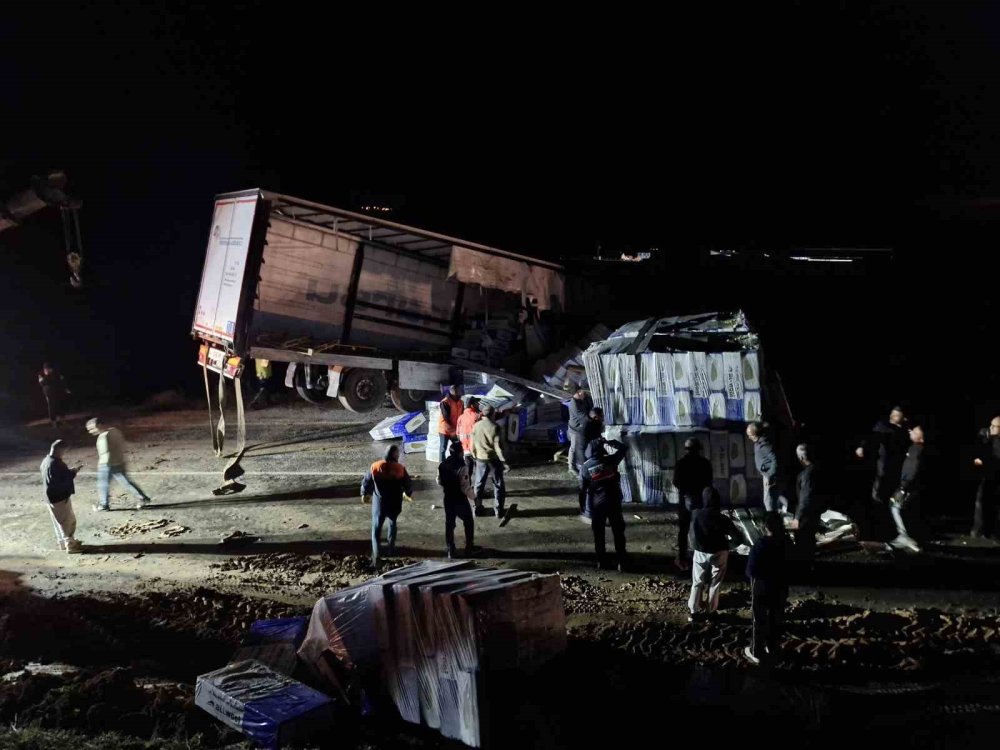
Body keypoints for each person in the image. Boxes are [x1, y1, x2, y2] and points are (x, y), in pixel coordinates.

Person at [688, 487, 743, 622]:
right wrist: (727, 547)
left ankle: (694, 612)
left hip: (700, 551)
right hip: (719, 552)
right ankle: (711, 612)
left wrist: (695, 547)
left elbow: (691, 534)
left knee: (697, 581)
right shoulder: (722, 518)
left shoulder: (696, 514)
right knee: (715, 582)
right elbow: (738, 538)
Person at [579, 436, 630, 571]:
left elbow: (582, 490)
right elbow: (624, 448)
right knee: (618, 533)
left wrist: (582, 507)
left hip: (597, 506)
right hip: (614, 503)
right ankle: (622, 562)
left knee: (599, 535)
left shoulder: (585, 468)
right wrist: (610, 442)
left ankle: (602, 562)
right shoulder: (611, 460)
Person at [744, 512, 788, 665]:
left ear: (764, 527)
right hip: (780, 586)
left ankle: (756, 651)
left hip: (761, 586)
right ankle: (773, 647)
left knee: (759, 619)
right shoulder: (785, 543)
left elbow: (751, 570)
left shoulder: (760, 544)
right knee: (776, 618)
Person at [361, 444, 414, 568]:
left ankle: (377, 555)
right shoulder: (400, 468)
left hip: (379, 503)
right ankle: (391, 549)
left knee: (376, 528)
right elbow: (408, 483)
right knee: (392, 523)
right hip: (394, 503)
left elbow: (366, 480)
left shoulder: (376, 466)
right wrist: (408, 493)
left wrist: (364, 493)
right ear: (395, 455)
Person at [86, 418, 151, 511]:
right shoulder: (115, 431)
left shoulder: (103, 437)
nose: (90, 431)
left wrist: (102, 465)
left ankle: (104, 505)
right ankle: (143, 498)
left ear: (99, 425)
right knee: (126, 482)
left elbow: (105, 453)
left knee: (103, 484)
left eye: (92, 428)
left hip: (107, 464)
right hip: (119, 462)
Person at [672, 437, 713, 572]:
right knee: (701, 528)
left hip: (685, 499)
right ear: (699, 449)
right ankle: (702, 558)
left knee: (683, 530)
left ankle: (682, 558)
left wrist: (686, 489)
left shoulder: (681, 463)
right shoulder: (705, 463)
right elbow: (709, 482)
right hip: (701, 500)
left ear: (686, 449)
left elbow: (676, 482)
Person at [856, 406, 909, 505]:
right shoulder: (883, 425)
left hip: (898, 461)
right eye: (892, 414)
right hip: (883, 459)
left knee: (893, 479)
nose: (892, 417)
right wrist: (861, 447)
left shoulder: (905, 429)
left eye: (896, 415)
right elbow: (870, 436)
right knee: (880, 476)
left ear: (902, 418)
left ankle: (888, 499)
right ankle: (875, 498)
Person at [39, 439, 83, 553]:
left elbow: (56, 477)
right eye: (64, 451)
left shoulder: (46, 461)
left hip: (50, 497)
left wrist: (70, 471)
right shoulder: (56, 464)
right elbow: (63, 480)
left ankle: (62, 544)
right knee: (66, 521)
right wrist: (73, 472)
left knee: (58, 522)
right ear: (60, 450)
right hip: (59, 497)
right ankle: (71, 545)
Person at [888, 424, 927, 553]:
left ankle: (905, 538)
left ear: (921, 437)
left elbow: (913, 468)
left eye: (914, 431)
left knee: (895, 507)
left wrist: (904, 487)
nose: (910, 431)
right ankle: (906, 537)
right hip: (910, 485)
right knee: (898, 508)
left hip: (908, 486)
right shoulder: (915, 448)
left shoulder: (916, 449)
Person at [437, 441, 478, 559]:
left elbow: (439, 480)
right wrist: (474, 497)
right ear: (460, 453)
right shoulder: (462, 467)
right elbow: (465, 487)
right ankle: (469, 548)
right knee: (468, 521)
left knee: (449, 524)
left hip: (448, 498)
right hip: (459, 499)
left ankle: (450, 550)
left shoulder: (443, 464)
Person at [471, 404, 510, 520]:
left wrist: (474, 454)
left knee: (478, 484)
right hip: (493, 460)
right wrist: (504, 461)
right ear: (493, 414)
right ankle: (498, 510)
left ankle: (477, 509)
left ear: (483, 413)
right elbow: (498, 447)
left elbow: (472, 443)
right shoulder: (495, 427)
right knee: (498, 484)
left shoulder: (476, 426)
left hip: (480, 459)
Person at [793, 443, 827, 560]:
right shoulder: (818, 470)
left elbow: (805, 498)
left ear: (801, 457)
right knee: (810, 541)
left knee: (803, 542)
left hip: (806, 514)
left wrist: (798, 517)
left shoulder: (807, 475)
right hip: (815, 511)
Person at [747, 421, 789, 514]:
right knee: (777, 495)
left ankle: (772, 520)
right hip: (768, 474)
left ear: (755, 434)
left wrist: (770, 475)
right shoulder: (759, 441)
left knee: (768, 500)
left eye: (749, 434)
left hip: (770, 476)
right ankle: (787, 510)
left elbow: (775, 460)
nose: (748, 437)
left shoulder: (765, 445)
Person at [971, 416, 1000, 540]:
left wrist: (984, 462)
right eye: (991, 425)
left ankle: (990, 532)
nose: (990, 428)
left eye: (994, 426)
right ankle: (980, 531)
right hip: (987, 477)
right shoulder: (988, 438)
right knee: (982, 502)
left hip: (995, 477)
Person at [567, 389, 594, 475]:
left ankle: (582, 464)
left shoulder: (584, 399)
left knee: (584, 446)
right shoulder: (573, 403)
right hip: (575, 429)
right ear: (578, 393)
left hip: (583, 428)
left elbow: (590, 406)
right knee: (573, 448)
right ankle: (571, 467)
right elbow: (582, 416)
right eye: (583, 393)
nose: (585, 395)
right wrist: (594, 416)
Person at [38, 362, 70, 428]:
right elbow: (42, 383)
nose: (46, 370)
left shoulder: (53, 374)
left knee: (57, 406)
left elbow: (60, 381)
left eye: (47, 369)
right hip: (50, 393)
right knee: (54, 407)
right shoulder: (44, 375)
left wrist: (65, 389)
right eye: (45, 369)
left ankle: (60, 421)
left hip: (55, 393)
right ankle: (56, 422)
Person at [456, 397, 481, 478]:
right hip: (476, 449)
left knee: (468, 472)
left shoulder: (460, 417)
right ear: (472, 405)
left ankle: (467, 489)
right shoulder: (477, 416)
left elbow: (458, 434)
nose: (479, 404)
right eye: (477, 403)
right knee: (479, 472)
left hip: (465, 449)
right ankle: (478, 490)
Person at [437, 385, 464, 463]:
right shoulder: (445, 402)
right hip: (444, 430)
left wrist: (459, 429)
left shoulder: (461, 402)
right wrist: (452, 431)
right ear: (453, 393)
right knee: (443, 448)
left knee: (458, 447)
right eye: (458, 393)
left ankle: (458, 463)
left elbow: (461, 416)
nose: (460, 394)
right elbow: (446, 418)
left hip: (455, 430)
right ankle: (442, 465)